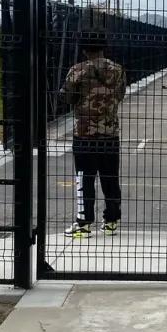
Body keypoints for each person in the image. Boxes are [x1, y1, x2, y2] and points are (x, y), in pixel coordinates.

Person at [62, 29, 127, 237]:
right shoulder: (117, 70)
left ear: (84, 49)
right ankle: (111, 221)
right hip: (109, 133)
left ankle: (84, 223)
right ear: (103, 46)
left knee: (84, 179)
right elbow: (120, 95)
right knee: (110, 178)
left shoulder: (77, 70)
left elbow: (68, 98)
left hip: (84, 134)